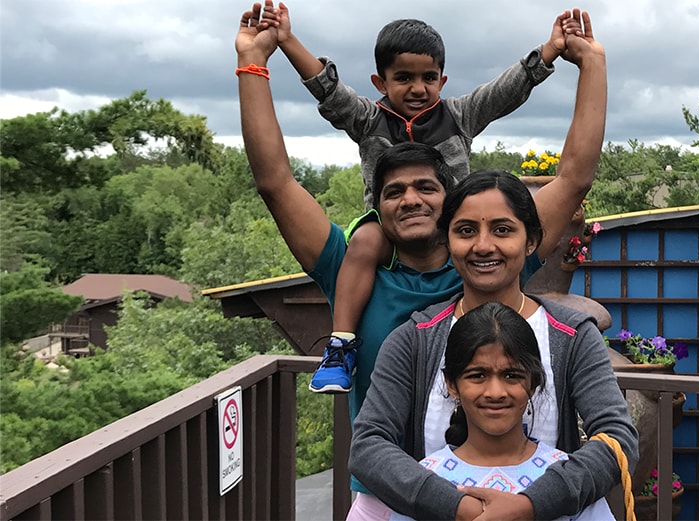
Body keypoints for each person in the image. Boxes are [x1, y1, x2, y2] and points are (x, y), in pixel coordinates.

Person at [235, 1, 600, 500]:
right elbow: (275, 181)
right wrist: (253, 63)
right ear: (376, 203)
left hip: (507, 497)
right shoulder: (353, 270)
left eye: (426, 188)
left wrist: (590, 63)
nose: (410, 199)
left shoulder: (485, 264)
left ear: (450, 197)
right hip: (387, 497)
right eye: (393, 191)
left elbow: (574, 177)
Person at [349, 11, 638, 521]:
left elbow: (617, 440)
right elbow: (369, 446)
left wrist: (531, 505)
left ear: (532, 243)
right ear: (448, 239)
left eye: (503, 230)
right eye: (466, 230)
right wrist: (454, 505)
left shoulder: (570, 337)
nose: (484, 246)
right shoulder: (416, 338)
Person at [258, 2, 572, 393]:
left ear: (442, 80)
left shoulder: (458, 115)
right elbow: (329, 89)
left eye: (428, 77)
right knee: (365, 240)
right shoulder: (370, 118)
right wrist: (287, 41)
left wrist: (549, 51)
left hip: (453, 226)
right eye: (403, 78)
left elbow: (503, 92)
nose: (418, 89)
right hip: (389, 228)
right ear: (381, 83)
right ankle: (342, 342)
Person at [384, 301, 615, 521]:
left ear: (533, 383)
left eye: (511, 376)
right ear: (451, 384)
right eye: (477, 376)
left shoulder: (567, 478)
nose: (495, 392)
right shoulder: (427, 480)